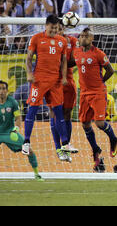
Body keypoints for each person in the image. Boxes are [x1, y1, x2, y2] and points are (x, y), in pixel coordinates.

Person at [22, 14, 76, 162]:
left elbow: (64, 61)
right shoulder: (36, 38)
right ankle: (26, 141)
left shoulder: (62, 41)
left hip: (56, 82)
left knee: (59, 112)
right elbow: (29, 57)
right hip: (39, 80)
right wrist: (29, 73)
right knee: (32, 109)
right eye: (52, 28)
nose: (54, 31)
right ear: (46, 26)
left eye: (56, 28)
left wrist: (64, 77)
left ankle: (64, 144)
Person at [71, 27, 117, 168]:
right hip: (84, 92)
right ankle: (95, 149)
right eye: (81, 36)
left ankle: (113, 138)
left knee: (99, 123)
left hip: (98, 92)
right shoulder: (76, 52)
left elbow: (110, 70)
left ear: (92, 38)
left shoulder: (98, 54)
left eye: (86, 36)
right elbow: (72, 63)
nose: (83, 38)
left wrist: (101, 81)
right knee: (85, 123)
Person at [48, 20, 79, 162]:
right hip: (53, 82)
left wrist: (64, 60)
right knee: (54, 113)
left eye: (60, 28)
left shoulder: (72, 40)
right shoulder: (48, 42)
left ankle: (66, 145)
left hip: (68, 82)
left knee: (67, 114)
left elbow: (76, 59)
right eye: (56, 28)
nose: (58, 31)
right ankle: (58, 148)